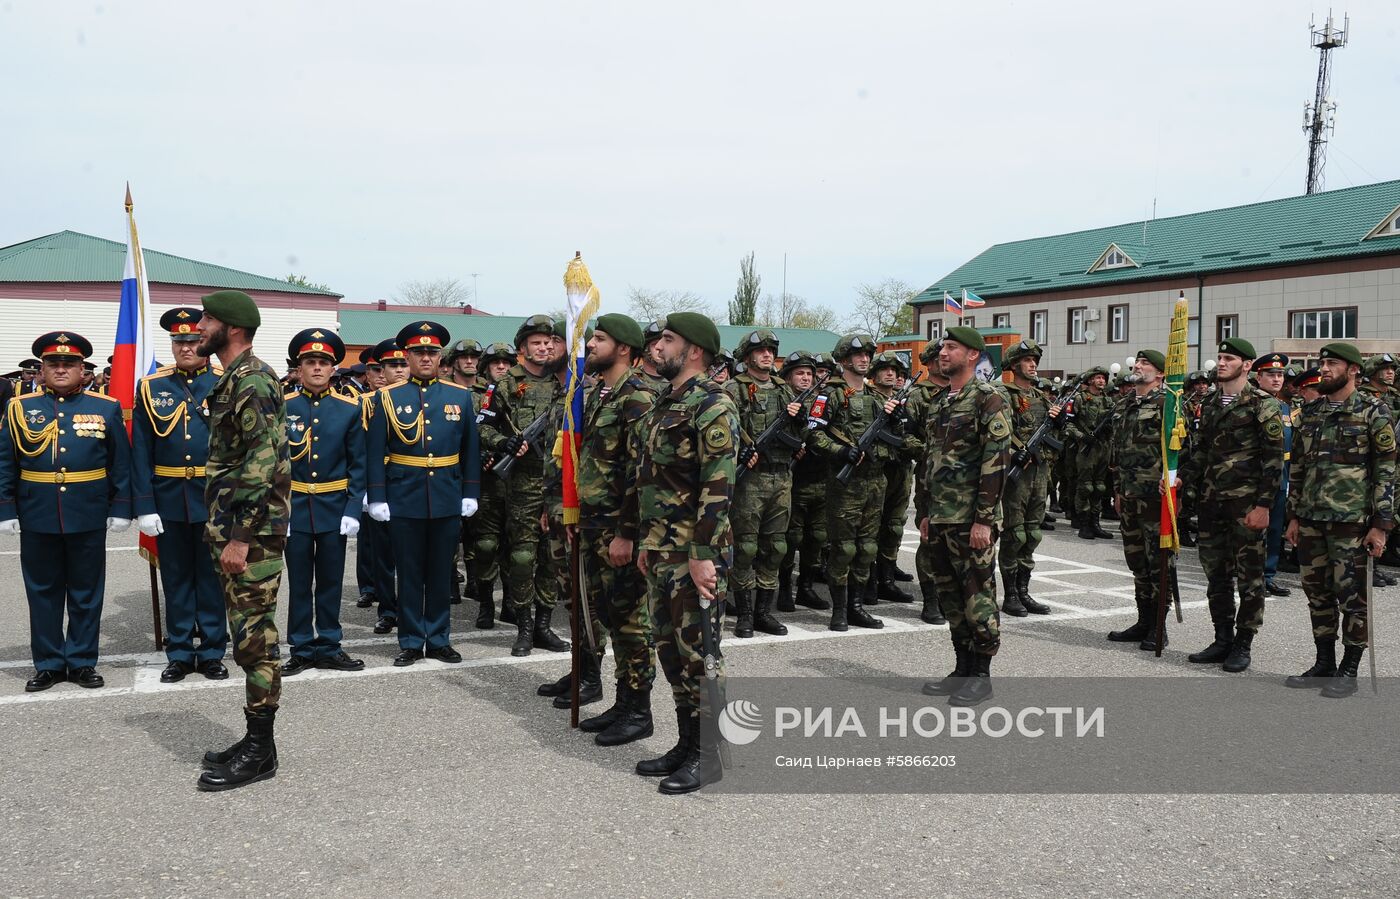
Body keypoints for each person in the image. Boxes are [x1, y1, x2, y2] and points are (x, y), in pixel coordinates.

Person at [634, 312, 738, 795]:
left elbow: (718, 487)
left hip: (693, 553)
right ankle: (685, 743)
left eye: (668, 340)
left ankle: (708, 755)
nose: (659, 346)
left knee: (700, 655)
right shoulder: (664, 402)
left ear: (694, 350)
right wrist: (645, 542)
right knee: (670, 652)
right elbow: (652, 482)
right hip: (660, 549)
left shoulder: (713, 405)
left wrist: (702, 554)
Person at [193, 290, 291, 792]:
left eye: (207, 319)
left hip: (250, 535)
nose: (198, 326)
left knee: (256, 640)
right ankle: (259, 743)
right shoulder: (233, 379)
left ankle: (259, 752)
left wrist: (239, 538)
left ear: (231, 329)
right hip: (236, 528)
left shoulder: (252, 380)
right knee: (246, 634)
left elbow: (264, 461)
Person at [0, 332, 132, 693]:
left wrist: (121, 507)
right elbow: (5, 461)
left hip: (87, 510)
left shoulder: (105, 407)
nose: (61, 369)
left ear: (83, 370)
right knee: (42, 591)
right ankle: (48, 663)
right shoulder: (19, 408)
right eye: (53, 364)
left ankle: (82, 661)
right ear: (41, 370)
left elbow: (120, 463)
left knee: (86, 592)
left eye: (69, 364)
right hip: (36, 510)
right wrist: (5, 507)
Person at [564, 314, 660, 743]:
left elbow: (641, 473)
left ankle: (639, 712)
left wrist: (627, 533)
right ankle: (623, 704)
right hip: (596, 523)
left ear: (623, 348)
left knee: (630, 621)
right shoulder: (603, 393)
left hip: (619, 528)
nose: (591, 345)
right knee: (609, 614)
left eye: (599, 339)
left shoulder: (636, 396)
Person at [365, 321, 481, 667]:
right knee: (410, 571)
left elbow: (470, 449)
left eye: (431, 352)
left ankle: (440, 638)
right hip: (404, 495)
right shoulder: (387, 398)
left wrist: (470, 491)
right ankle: (413, 640)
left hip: (446, 493)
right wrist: (377, 497)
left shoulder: (459, 396)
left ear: (440, 356)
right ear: (408, 356)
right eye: (418, 352)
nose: (425, 358)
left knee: (440, 570)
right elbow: (374, 451)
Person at [1284, 342, 1396, 698]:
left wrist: (1381, 524)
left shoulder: (1373, 411)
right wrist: (1294, 516)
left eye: (1332, 363)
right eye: (1322, 363)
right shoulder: (1312, 411)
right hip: (1312, 519)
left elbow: (1387, 471)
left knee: (1352, 598)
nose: (1325, 369)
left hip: (1352, 522)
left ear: (1353, 371)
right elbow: (1298, 468)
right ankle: (1324, 663)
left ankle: (1349, 669)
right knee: (1317, 594)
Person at [916, 328, 1011, 706]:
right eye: (942, 346)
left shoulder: (988, 399)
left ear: (972, 355)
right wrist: (923, 512)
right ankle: (962, 668)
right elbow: (928, 461)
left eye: (951, 347)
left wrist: (984, 520)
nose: (943, 352)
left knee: (978, 596)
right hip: (940, 516)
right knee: (951, 596)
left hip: (970, 517)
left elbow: (996, 461)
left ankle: (981, 675)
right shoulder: (940, 402)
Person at [133, 307, 228, 683]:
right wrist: (144, 505)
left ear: (204, 342)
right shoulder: (152, 386)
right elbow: (141, 450)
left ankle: (211, 651)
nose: (186, 347)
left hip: (213, 496)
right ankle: (180, 651)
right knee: (175, 578)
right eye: (179, 341)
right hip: (168, 496)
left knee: (210, 577)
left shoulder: (224, 382)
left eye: (192, 340)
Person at [1179, 339, 1284, 673]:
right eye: (1220, 357)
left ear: (1247, 365)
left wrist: (1264, 506)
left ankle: (1243, 643)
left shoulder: (1262, 404)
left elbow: (1273, 462)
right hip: (1212, 504)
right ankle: (1222, 637)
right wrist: (1182, 479)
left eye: (1229, 358)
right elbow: (1203, 452)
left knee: (1249, 578)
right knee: (1216, 576)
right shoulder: (1210, 403)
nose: (1221, 362)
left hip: (1246, 506)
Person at [281, 329, 367, 675]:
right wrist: (278, 509)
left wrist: (352, 509)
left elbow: (358, 463)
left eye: (323, 363)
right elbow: (273, 461)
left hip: (333, 506)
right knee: (299, 581)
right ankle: (301, 646)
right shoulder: (283, 406)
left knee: (330, 581)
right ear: (299, 369)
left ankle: (330, 644)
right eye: (310, 362)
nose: (317, 368)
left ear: (334, 369)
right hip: (295, 506)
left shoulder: (349, 409)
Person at [483, 315, 568, 657]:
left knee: (552, 556)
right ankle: (524, 626)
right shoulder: (506, 385)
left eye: (549, 342)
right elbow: (482, 428)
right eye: (536, 342)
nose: (544, 347)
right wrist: (505, 444)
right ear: (522, 349)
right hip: (523, 481)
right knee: (521, 556)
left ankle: (545, 626)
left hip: (559, 481)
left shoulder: (566, 383)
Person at [808, 334, 897, 631]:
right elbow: (814, 434)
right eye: (858, 355)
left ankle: (856, 607)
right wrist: (842, 451)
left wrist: (880, 448)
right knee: (843, 548)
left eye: (867, 355)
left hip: (874, 481)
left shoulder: (877, 398)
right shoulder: (829, 394)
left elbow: (898, 441)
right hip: (844, 484)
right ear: (844, 359)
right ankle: (839, 611)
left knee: (868, 548)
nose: (864, 359)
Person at [724, 329, 803, 637]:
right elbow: (725, 424)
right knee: (745, 546)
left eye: (771, 350)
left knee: (776, 545)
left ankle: (763, 612)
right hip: (750, 478)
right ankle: (744, 612)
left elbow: (803, 434)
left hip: (781, 476)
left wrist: (799, 417)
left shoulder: (785, 390)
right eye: (760, 351)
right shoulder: (734, 388)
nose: (767, 354)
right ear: (747, 357)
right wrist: (742, 448)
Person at [1106, 350, 1171, 651]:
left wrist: (1176, 492)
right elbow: (1117, 453)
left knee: (1158, 563)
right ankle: (1143, 620)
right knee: (1137, 561)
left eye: (1146, 364)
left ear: (1159, 374)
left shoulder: (1168, 404)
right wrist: (1118, 490)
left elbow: (1180, 452)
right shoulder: (1124, 405)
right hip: (1129, 495)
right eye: (1138, 363)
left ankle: (1159, 627)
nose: (1139, 367)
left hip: (1155, 497)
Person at [998, 339, 1059, 617]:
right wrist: (1015, 451)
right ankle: (1010, 594)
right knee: (1014, 534)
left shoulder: (1042, 397)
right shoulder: (1002, 395)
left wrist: (1060, 424)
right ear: (1014, 365)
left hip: (1040, 472)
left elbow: (1056, 440)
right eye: (1027, 360)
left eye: (1035, 360)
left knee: (1032, 533)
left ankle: (1024, 591)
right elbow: (998, 433)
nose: (1033, 364)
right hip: (1017, 473)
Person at [778, 351, 831, 613]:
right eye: (800, 373)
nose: (806, 378)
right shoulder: (782, 398)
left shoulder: (821, 400)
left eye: (810, 374)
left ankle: (806, 588)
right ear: (788, 376)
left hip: (820, 476)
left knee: (818, 536)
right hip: (795, 479)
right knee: (791, 537)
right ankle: (785, 588)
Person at [470, 341, 518, 628]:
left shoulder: (520, 395)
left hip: (515, 483)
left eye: (507, 362)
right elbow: (465, 435)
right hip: (487, 482)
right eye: (495, 363)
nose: (502, 367)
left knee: (516, 549)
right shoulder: (475, 398)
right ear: (485, 368)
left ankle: (510, 603)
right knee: (486, 546)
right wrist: (481, 456)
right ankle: (486, 604)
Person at [870, 351, 920, 605]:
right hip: (877, 470)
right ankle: (870, 581)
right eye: (885, 370)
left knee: (894, 525)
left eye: (896, 371)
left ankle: (886, 579)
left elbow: (908, 432)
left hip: (900, 469)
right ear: (874, 374)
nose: (891, 374)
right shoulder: (868, 399)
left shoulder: (901, 401)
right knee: (871, 527)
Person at [1253, 352, 1295, 597]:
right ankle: (1252, 576)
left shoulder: (1285, 407)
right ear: (1259, 377)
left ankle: (1268, 575)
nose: (1277, 379)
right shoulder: (1251, 404)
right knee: (1253, 532)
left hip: (1280, 476)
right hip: (1256, 477)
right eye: (1271, 374)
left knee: (1275, 528)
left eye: (1280, 374)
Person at [1066, 366, 1112, 539]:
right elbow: (1068, 424)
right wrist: (1081, 437)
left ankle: (1095, 522)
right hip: (1086, 449)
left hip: (1103, 448)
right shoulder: (1079, 399)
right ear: (1091, 380)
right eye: (1098, 378)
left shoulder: (1109, 401)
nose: (1102, 381)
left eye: (1103, 378)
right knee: (1085, 487)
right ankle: (1084, 524)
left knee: (1099, 487)